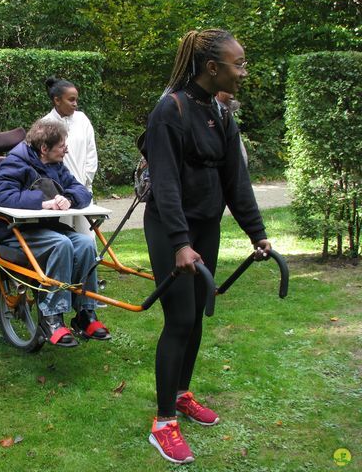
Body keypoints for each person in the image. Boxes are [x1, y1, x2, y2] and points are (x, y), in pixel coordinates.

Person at [141, 30, 272, 464]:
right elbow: (165, 184)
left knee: (196, 316)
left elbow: (236, 180)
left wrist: (258, 234)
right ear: (212, 68)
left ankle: (181, 394)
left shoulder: (221, 112)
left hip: (205, 229)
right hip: (169, 229)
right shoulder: (169, 111)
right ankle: (163, 425)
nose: (244, 71)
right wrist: (180, 243)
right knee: (179, 319)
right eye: (239, 63)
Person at [0, 118, 111, 347]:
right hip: (13, 232)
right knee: (61, 244)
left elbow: (81, 190)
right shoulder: (14, 163)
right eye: (62, 145)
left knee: (85, 243)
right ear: (44, 148)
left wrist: (69, 198)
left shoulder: (56, 166)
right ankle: (51, 317)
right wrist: (43, 203)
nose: (67, 149)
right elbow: (1, 197)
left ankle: (86, 313)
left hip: (44, 229)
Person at [42, 76, 98, 237]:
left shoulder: (82, 119)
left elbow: (91, 152)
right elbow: (45, 160)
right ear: (57, 100)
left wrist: (86, 180)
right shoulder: (46, 124)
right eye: (71, 100)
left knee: (88, 235)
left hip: (83, 188)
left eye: (76, 100)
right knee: (62, 234)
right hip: (58, 193)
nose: (75, 104)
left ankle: (89, 263)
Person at [216, 91, 248, 166]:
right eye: (226, 90)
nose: (231, 94)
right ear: (217, 93)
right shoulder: (215, 112)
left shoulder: (227, 111)